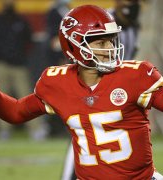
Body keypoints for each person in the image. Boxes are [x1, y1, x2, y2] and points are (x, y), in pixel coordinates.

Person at [0, 5, 163, 179]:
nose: (110, 48)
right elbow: (16, 112)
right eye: (100, 42)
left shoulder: (136, 75)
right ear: (74, 46)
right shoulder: (56, 83)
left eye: (111, 40)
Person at [61, 1, 142, 179]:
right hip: (95, 86)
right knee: (84, 136)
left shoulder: (134, 26)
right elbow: (78, 51)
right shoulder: (100, 21)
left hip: (116, 89)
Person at [0, 0, 46, 141]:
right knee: (1, 99)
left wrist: (21, 55)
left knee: (28, 98)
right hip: (1, 64)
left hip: (19, 65)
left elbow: (29, 41)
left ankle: (35, 130)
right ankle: (4, 131)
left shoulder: (21, 20)